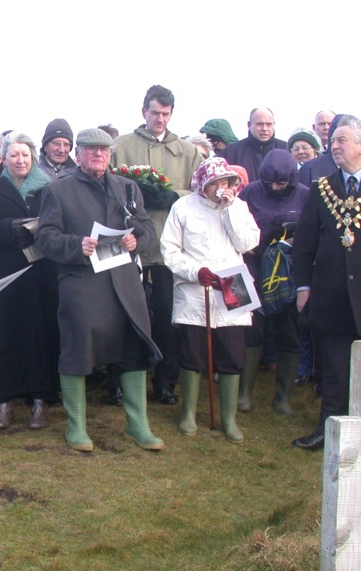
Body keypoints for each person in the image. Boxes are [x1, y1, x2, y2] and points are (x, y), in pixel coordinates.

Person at [37, 128, 164, 452]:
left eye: (104, 151)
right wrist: (75, 244)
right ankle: (76, 428)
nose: (98, 155)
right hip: (81, 282)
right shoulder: (58, 190)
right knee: (78, 349)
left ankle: (138, 426)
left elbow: (147, 227)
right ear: (77, 154)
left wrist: (138, 240)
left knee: (134, 344)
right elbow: (45, 237)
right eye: (91, 150)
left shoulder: (127, 187)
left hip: (123, 280)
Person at [292, 115, 361, 451]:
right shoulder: (322, 189)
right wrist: (303, 287)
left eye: (343, 140)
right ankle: (328, 431)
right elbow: (304, 245)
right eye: (334, 140)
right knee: (333, 371)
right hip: (331, 295)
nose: (335, 145)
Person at [113, 84, 202, 406]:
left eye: (165, 114)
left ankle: (165, 381)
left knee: (167, 315)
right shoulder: (121, 146)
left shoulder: (188, 151)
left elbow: (200, 193)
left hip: (168, 247)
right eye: (154, 113)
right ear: (143, 112)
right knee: (126, 313)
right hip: (129, 244)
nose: (159, 119)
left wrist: (174, 195)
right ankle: (121, 379)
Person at [161, 157, 260, 443]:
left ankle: (229, 418)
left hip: (232, 284)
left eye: (226, 182)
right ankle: (188, 412)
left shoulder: (238, 207)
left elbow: (248, 243)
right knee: (192, 352)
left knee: (232, 353)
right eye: (215, 182)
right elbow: (170, 250)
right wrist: (195, 271)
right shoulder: (183, 208)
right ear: (202, 184)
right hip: (195, 288)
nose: (221, 188)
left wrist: (229, 211)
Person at [0, 131, 60, 430]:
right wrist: (9, 227)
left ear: (33, 157)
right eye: (14, 155)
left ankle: (40, 403)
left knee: (40, 338)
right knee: (4, 338)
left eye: (24, 154)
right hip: (5, 277)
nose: (20, 160)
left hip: (41, 276)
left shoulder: (48, 189)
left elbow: (60, 225)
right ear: (4, 159)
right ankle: (5, 404)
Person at [238, 150, 309, 414]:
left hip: (289, 275)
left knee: (289, 332)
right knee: (252, 330)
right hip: (255, 270)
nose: (276, 187)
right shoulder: (250, 193)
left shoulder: (304, 195)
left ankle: (282, 398)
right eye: (271, 183)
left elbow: (313, 232)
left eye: (282, 183)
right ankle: (244, 394)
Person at [222, 108, 288, 182]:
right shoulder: (232, 151)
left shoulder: (286, 150)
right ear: (249, 125)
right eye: (260, 124)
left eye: (269, 124)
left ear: (274, 125)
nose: (264, 129)